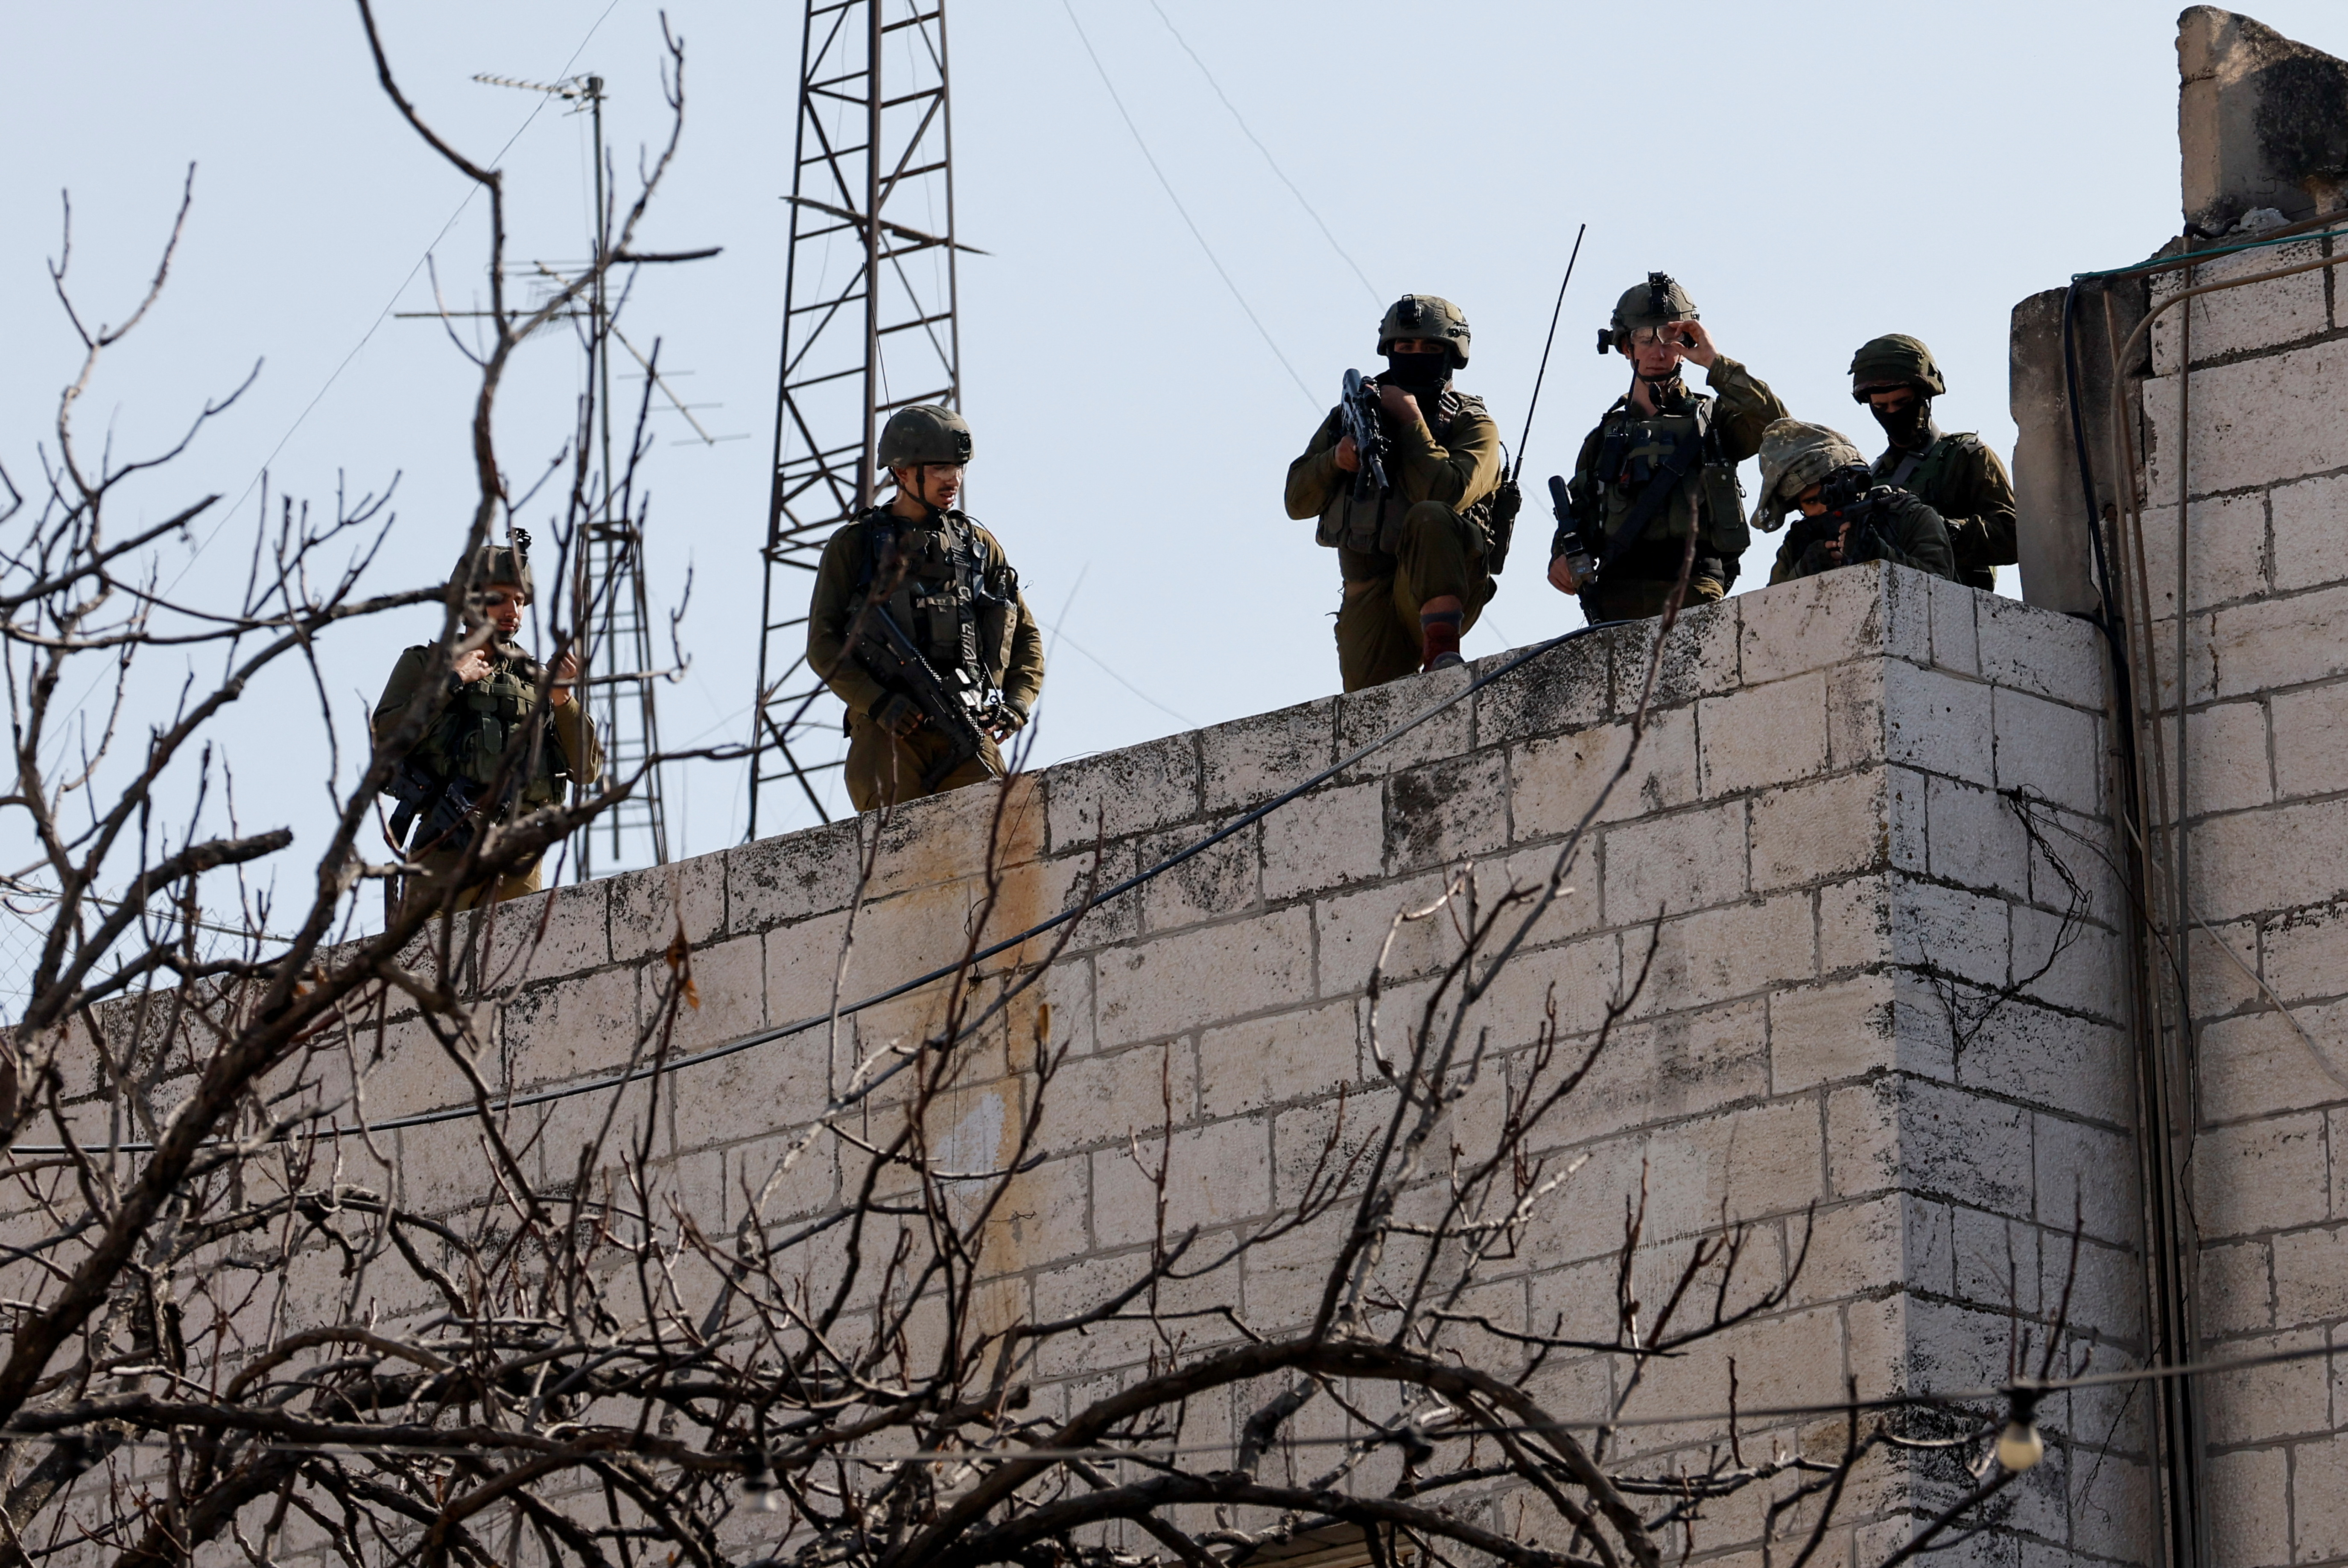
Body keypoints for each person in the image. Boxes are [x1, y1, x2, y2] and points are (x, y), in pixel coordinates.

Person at [806, 404, 1044, 812]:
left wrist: (1016, 704)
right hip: (890, 734)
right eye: (939, 468)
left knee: (1005, 839)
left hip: (969, 728)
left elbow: (1024, 635)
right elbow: (823, 646)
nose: (954, 479)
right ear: (901, 472)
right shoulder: (856, 545)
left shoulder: (979, 547)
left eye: (959, 467)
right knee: (897, 855)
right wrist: (878, 702)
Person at [1285, 294, 1503, 690]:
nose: (1416, 355)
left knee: (1430, 516)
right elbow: (1296, 501)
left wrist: (1412, 421)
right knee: (1366, 711)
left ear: (1453, 354)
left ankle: (1442, 657)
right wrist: (1337, 459)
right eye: (1406, 347)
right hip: (1369, 597)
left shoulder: (1471, 424)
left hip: (1445, 586)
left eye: (1430, 348)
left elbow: (1446, 493)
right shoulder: (1353, 417)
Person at [373, 531, 601, 909]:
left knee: (521, 961)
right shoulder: (426, 665)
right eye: (497, 599)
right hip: (446, 845)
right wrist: (451, 683)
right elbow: (387, 737)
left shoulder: (538, 680)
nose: (511, 611)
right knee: (432, 960)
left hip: (518, 853)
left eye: (519, 600)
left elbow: (587, 769)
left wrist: (562, 698)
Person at [1547, 273, 1787, 620]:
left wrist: (1714, 363)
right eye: (1646, 338)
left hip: (1694, 585)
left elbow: (1777, 426)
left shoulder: (1714, 422)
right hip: (1616, 592)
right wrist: (1561, 555)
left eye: (1672, 339)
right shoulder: (1604, 437)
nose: (1659, 353)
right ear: (1626, 346)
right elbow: (1580, 512)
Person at [1849, 334, 2018, 592]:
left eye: (1902, 403)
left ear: (1925, 397)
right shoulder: (1872, 477)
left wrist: (1942, 530)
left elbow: (2013, 537)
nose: (1892, 413)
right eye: (1881, 407)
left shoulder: (1966, 455)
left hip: (1957, 605)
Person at [1752, 419, 1958, 584]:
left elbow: (1942, 591)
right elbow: (1768, 613)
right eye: (1812, 502)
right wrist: (1801, 575)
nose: (1825, 507)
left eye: (1829, 493)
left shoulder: (1908, 516)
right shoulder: (1799, 542)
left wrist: (1880, 555)